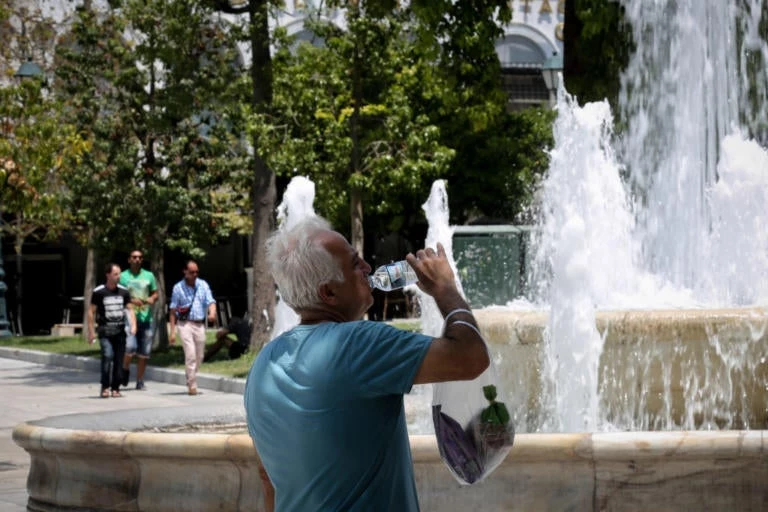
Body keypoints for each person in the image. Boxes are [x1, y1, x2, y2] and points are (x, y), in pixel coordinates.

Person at [244, 217, 489, 512]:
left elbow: (267, 478)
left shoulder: (262, 366)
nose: (368, 269)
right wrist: (445, 288)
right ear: (329, 293)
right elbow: (470, 357)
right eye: (355, 264)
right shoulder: (358, 344)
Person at [88, 263, 137, 398]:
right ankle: (105, 386)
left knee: (118, 359)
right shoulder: (99, 292)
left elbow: (130, 309)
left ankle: (116, 388)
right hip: (105, 330)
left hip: (120, 331)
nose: (118, 277)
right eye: (115, 274)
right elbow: (91, 311)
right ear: (108, 275)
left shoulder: (123, 291)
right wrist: (91, 331)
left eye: (119, 274)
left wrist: (133, 325)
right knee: (108, 355)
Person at [169, 259, 217, 396]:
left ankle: (190, 375)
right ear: (185, 272)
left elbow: (211, 301)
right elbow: (173, 311)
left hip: (199, 324)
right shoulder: (178, 288)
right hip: (185, 324)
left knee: (199, 355)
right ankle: (192, 384)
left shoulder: (203, 285)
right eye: (192, 272)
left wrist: (212, 313)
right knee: (190, 354)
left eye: (197, 272)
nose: (195, 274)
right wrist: (172, 332)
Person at [120, 250, 158, 390]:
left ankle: (140, 380)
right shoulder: (123, 276)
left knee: (144, 352)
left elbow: (155, 293)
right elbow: (119, 295)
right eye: (134, 257)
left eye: (140, 257)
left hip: (146, 317)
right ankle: (124, 368)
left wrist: (152, 298)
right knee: (130, 346)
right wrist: (131, 300)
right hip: (130, 316)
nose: (137, 259)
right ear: (129, 259)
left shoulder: (149, 275)